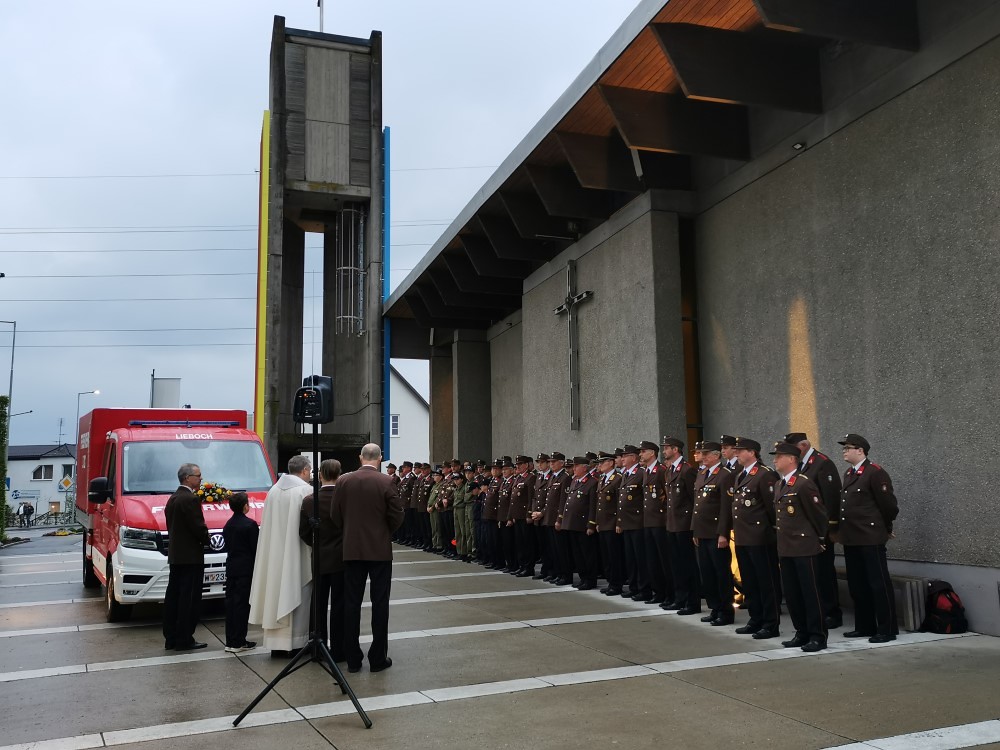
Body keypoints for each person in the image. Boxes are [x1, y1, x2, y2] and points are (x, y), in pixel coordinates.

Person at [332, 443, 404, 673]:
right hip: (379, 550)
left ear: (360, 457)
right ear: (380, 458)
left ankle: (353, 658)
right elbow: (397, 514)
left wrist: (349, 532)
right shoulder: (387, 481)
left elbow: (335, 514)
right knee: (380, 603)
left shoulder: (344, 481)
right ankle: (377, 657)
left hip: (352, 548)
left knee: (351, 603)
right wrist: (384, 532)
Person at [836, 433, 899, 643]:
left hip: (870, 537)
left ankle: (887, 629)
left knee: (878, 584)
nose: (844, 451)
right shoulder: (849, 473)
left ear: (860, 450)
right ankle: (864, 626)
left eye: (848, 448)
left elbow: (889, 506)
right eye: (844, 448)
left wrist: (886, 527)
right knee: (858, 585)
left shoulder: (875, 472)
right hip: (852, 537)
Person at [249, 455, 314, 657]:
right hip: (297, 551)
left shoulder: (273, 491)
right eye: (310, 471)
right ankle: (296, 643)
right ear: (304, 470)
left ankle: (276, 645)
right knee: (298, 593)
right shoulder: (306, 491)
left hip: (275, 553)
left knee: (275, 593)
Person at [770, 442, 828, 652]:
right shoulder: (780, 484)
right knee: (793, 594)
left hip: (804, 547)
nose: (775, 460)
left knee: (810, 593)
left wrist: (819, 539)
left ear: (792, 459)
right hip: (786, 547)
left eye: (779, 456)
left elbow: (819, 515)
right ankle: (801, 632)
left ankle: (817, 635)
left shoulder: (803, 484)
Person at [785, 431, 843, 629]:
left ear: (804, 446)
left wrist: (831, 528)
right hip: (805, 532)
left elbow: (831, 498)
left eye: (793, 448)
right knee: (812, 575)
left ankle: (831, 612)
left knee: (824, 572)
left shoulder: (822, 463)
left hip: (821, 530)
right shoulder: (799, 465)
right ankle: (818, 611)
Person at [726, 437, 781, 640]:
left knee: (766, 582)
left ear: (752, 452)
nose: (736, 454)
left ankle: (770, 623)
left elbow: (772, 509)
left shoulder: (765, 474)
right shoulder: (741, 475)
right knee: (750, 582)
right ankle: (755, 619)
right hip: (743, 537)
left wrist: (769, 533)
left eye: (740, 451)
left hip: (760, 538)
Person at [298, 459, 345, 662]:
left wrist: (316, 544)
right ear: (339, 475)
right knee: (340, 604)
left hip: (319, 556)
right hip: (342, 556)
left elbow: (303, 532)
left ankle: (319, 646)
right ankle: (340, 649)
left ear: (319, 475)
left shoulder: (310, 501)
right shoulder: (345, 499)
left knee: (318, 604)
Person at [163, 463, 210, 650]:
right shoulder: (190, 499)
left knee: (173, 597)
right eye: (198, 475)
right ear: (187, 478)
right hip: (190, 557)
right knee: (188, 600)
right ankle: (184, 638)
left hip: (176, 556)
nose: (201, 478)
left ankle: (171, 637)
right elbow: (198, 527)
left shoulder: (173, 498)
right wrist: (208, 539)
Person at [222, 491, 258, 653]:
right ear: (245, 506)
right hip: (246, 569)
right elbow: (255, 548)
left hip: (232, 568)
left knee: (230, 604)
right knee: (242, 605)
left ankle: (230, 640)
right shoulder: (250, 525)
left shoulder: (228, 525)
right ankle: (239, 641)